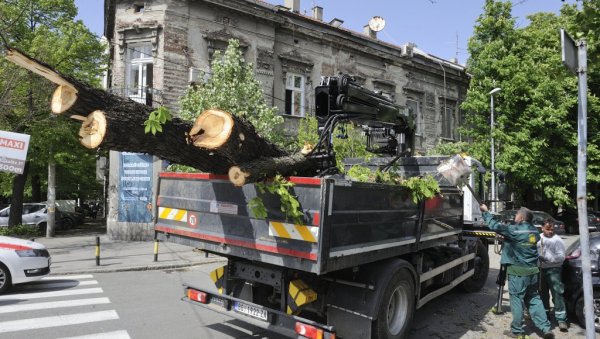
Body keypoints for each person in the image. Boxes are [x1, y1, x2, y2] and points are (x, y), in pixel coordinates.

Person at [480, 204, 554, 339]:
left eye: (516, 215)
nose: (515, 217)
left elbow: (495, 226)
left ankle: (517, 331)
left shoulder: (515, 230)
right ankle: (546, 328)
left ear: (521, 217)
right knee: (534, 299)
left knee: (516, 299)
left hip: (518, 272)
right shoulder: (535, 231)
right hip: (533, 272)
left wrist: (485, 212)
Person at [538, 219, 568, 332]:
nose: (550, 231)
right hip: (541, 270)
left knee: (557, 294)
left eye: (552, 229)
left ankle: (561, 320)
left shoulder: (557, 240)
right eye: (547, 229)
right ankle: (545, 316)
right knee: (542, 294)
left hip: (554, 270)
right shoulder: (538, 238)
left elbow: (561, 257)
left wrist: (547, 259)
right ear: (542, 228)